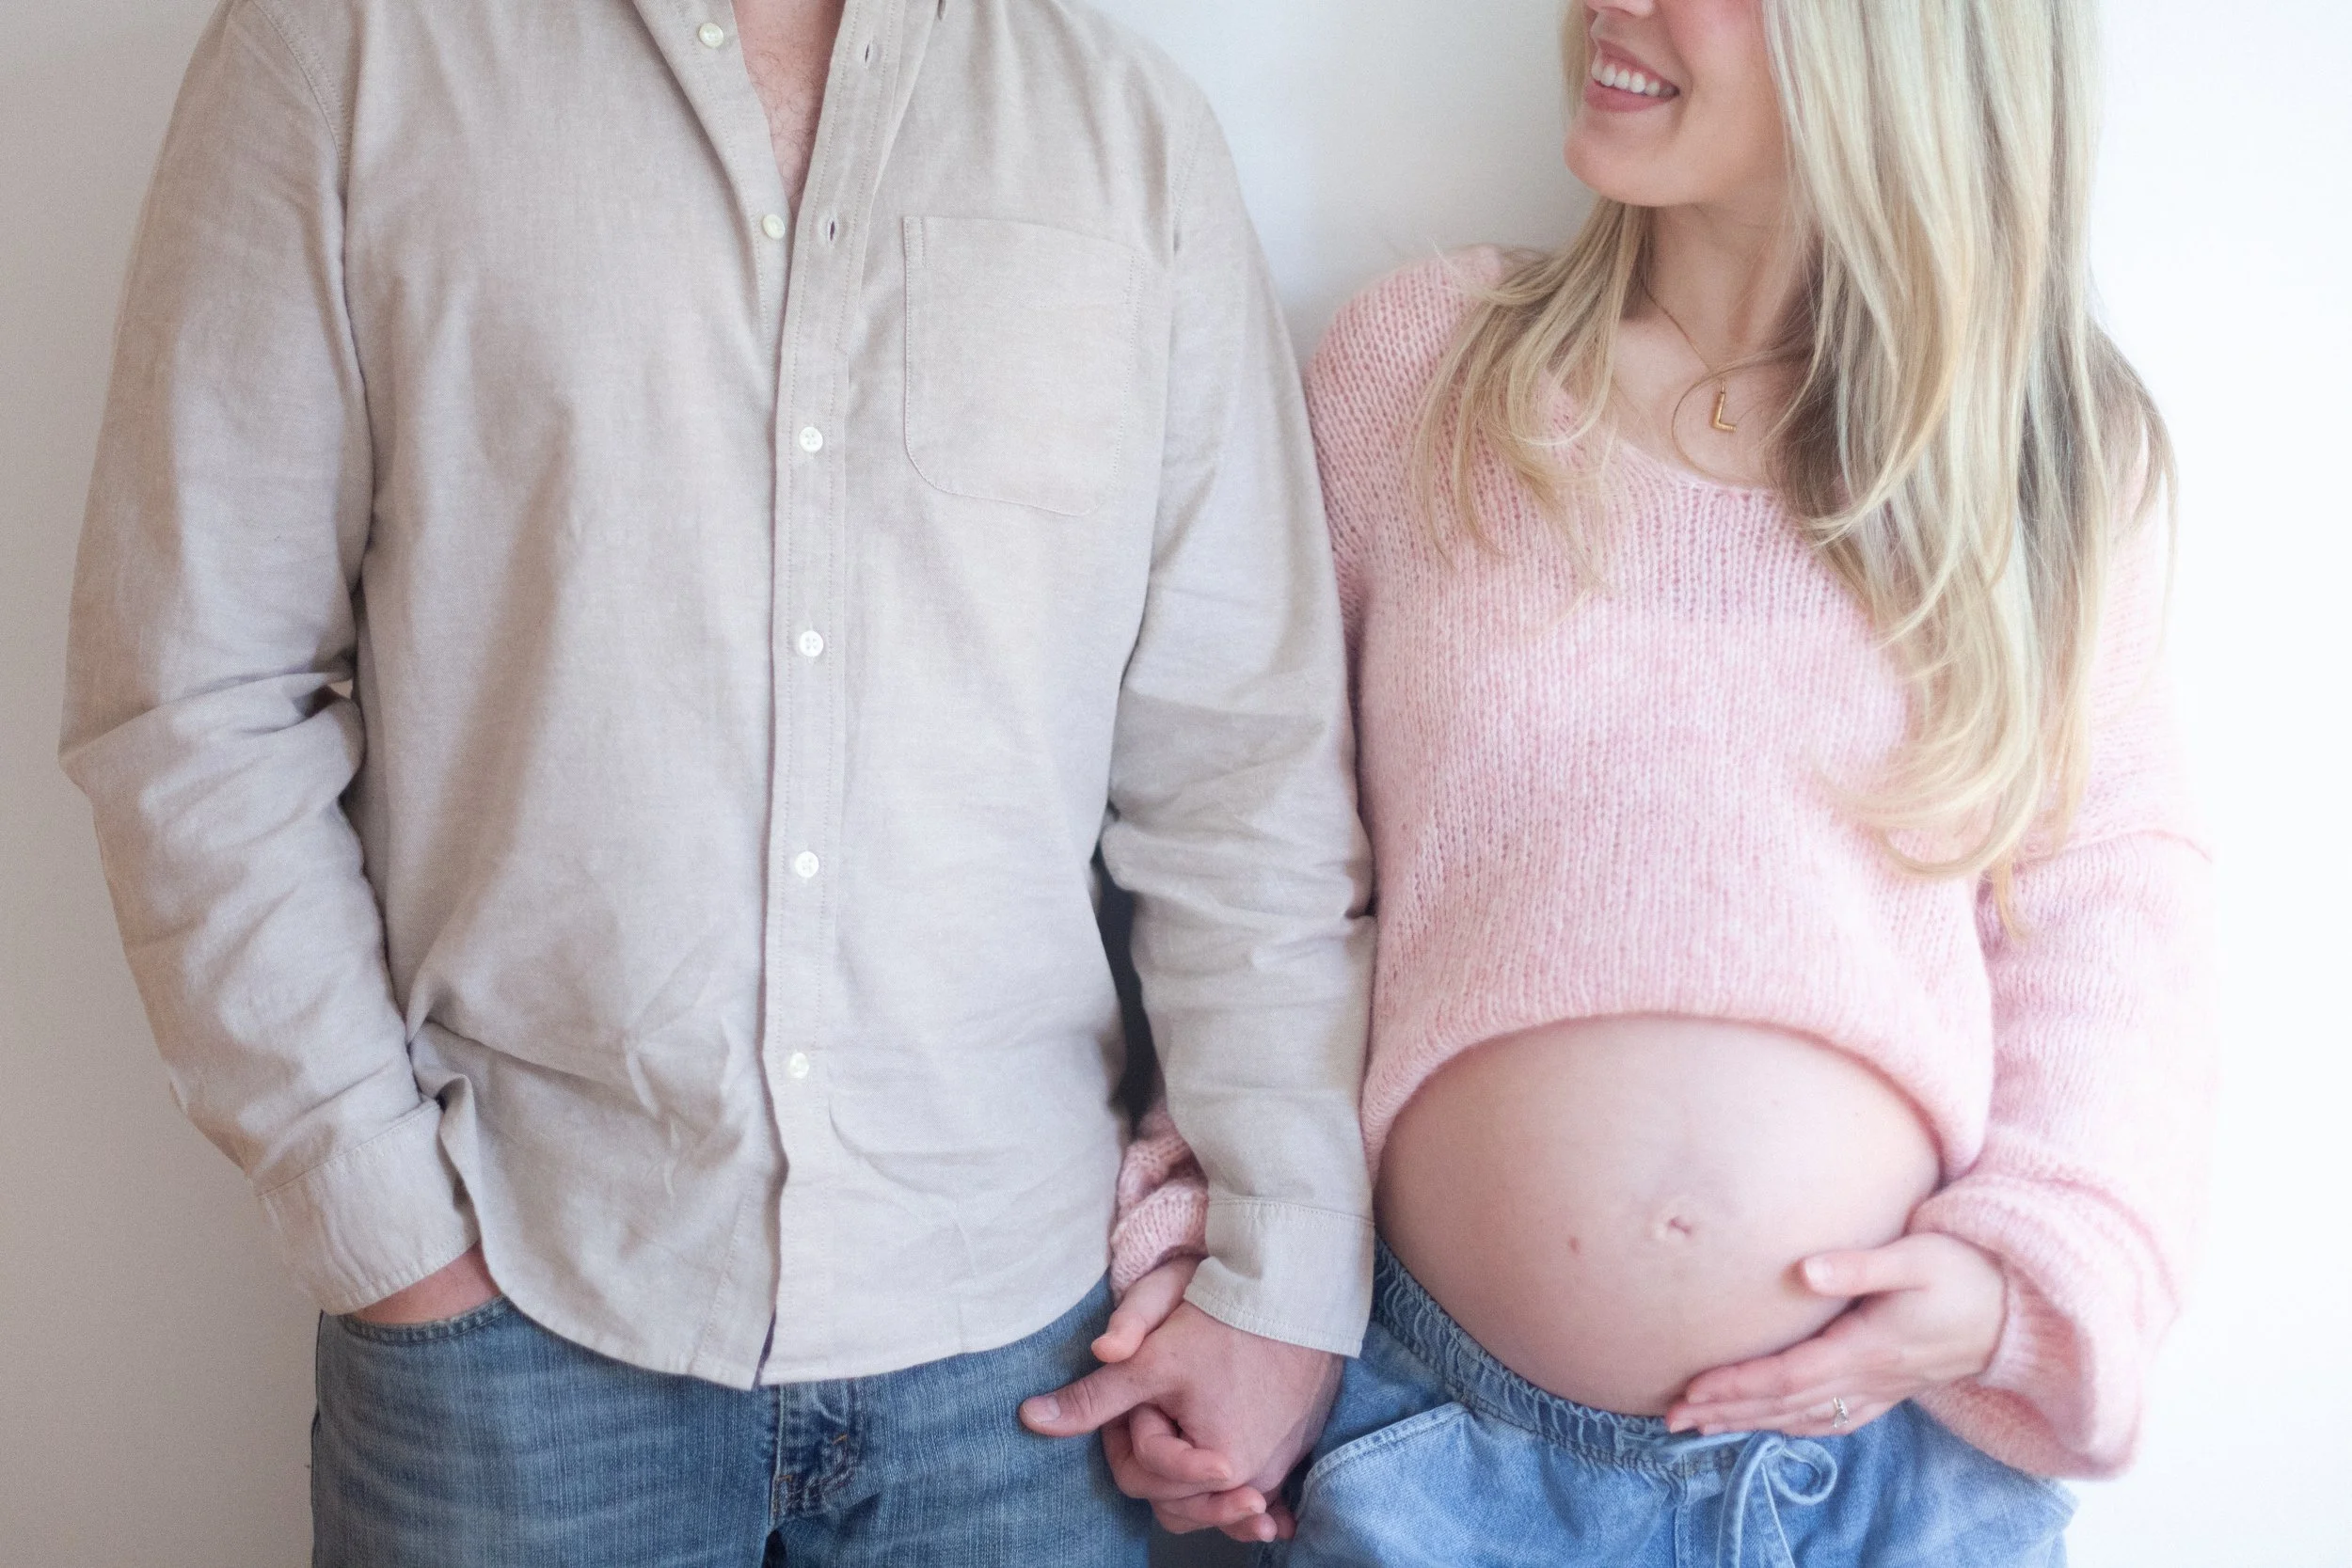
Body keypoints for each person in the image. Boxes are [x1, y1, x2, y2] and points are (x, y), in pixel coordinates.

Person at [59, 0, 1377, 1561]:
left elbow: (1243, 769)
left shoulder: (1130, 136)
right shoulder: (345, 53)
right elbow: (196, 692)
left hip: (1027, 1371)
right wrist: (383, 1228)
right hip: (515, 1349)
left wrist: (1284, 1277)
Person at [1100, 0, 2217, 1560]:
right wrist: (1213, 1248)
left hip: (1876, 1490)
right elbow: (1255, 849)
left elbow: (2110, 910)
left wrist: (2023, 1277)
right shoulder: (1425, 372)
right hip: (1440, 1469)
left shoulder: (2038, 462)